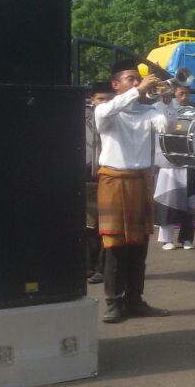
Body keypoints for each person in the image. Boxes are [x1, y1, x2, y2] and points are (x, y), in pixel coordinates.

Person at [94, 60, 170, 323]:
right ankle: (114, 302)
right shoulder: (106, 110)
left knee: (139, 246)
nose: (137, 83)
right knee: (115, 246)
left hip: (140, 180)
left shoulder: (147, 113)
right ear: (116, 85)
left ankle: (135, 300)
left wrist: (164, 96)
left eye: (138, 79)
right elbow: (106, 112)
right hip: (114, 180)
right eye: (130, 78)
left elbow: (165, 125)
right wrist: (137, 92)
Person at [153, 84, 195, 251]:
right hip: (169, 162)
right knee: (168, 201)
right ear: (174, 94)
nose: (184, 96)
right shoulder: (160, 108)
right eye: (181, 93)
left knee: (190, 203)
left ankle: (187, 238)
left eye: (187, 93)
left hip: (190, 162)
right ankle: (166, 239)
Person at [85, 82, 113, 285]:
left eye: (108, 99)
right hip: (86, 175)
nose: (104, 103)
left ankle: (101, 268)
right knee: (87, 225)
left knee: (105, 225)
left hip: (108, 173)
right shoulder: (83, 117)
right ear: (92, 100)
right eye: (100, 99)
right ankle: (87, 265)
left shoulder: (115, 117)